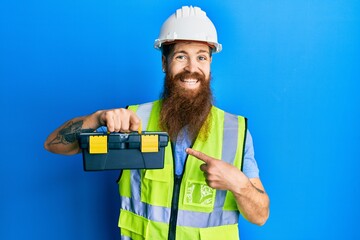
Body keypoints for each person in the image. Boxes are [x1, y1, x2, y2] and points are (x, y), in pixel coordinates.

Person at [44, 6, 269, 240]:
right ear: (164, 62)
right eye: (181, 56)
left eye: (201, 57)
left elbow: (260, 216)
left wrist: (239, 184)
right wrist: (96, 118)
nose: (192, 68)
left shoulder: (234, 130)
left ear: (210, 64)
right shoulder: (132, 120)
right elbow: (52, 144)